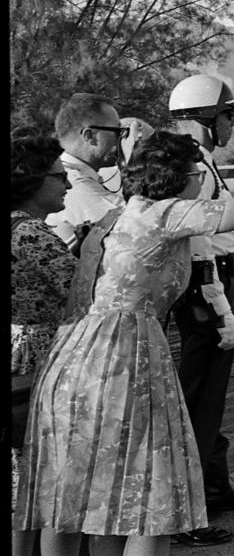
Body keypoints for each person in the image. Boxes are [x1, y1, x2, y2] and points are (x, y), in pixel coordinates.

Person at [15, 123, 234, 556]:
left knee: (75, 494)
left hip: (71, 358)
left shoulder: (113, 217)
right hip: (122, 355)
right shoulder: (163, 215)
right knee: (149, 494)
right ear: (183, 179)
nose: (203, 184)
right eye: (198, 175)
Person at [165, 75, 234, 547]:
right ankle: (187, 511)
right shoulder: (193, 169)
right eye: (227, 115)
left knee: (208, 393)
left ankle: (211, 486)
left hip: (214, 280)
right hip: (207, 284)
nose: (232, 124)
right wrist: (221, 306)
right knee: (200, 397)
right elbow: (198, 243)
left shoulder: (199, 162)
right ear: (204, 118)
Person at [11, 136, 76, 556]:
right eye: (59, 175)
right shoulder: (33, 235)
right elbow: (82, 292)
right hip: (46, 353)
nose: (68, 183)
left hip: (17, 349)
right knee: (55, 475)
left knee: (20, 475)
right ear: (33, 180)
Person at [44, 93, 126, 256]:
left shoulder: (69, 174)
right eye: (118, 132)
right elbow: (142, 223)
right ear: (90, 136)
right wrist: (137, 164)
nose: (121, 140)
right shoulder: (72, 181)